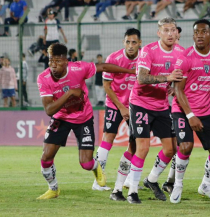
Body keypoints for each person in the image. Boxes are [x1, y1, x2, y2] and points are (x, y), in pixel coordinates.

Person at [36, 43, 135, 200]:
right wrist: (69, 94)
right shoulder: (43, 78)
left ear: (66, 61)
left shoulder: (78, 68)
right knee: (46, 156)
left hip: (83, 118)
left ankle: (96, 168)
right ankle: (53, 189)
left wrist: (129, 71)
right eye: (50, 61)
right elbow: (49, 110)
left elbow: (103, 67)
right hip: (61, 117)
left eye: (57, 61)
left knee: (86, 164)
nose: (53, 66)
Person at [126, 17, 184, 204]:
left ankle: (151, 179)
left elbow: (180, 78)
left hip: (161, 106)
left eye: (173, 30)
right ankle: (132, 191)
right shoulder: (148, 51)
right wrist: (167, 78)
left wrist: (174, 87)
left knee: (170, 149)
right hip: (141, 103)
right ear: (159, 33)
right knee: (143, 147)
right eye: (166, 30)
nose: (170, 33)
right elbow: (142, 78)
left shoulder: (181, 52)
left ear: (177, 33)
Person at [168, 19, 210, 204]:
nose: (199, 35)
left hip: (206, 111)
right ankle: (177, 185)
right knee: (185, 146)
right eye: (196, 32)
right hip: (182, 110)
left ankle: (206, 186)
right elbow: (177, 90)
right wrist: (190, 116)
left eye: (203, 32)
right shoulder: (185, 57)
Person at [93, 28, 140, 196]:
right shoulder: (114, 58)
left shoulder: (143, 58)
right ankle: (98, 181)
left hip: (135, 106)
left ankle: (128, 179)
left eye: (134, 42)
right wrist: (121, 106)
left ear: (139, 43)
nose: (130, 45)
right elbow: (107, 85)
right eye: (128, 42)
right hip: (115, 104)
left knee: (137, 142)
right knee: (108, 138)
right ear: (123, 42)